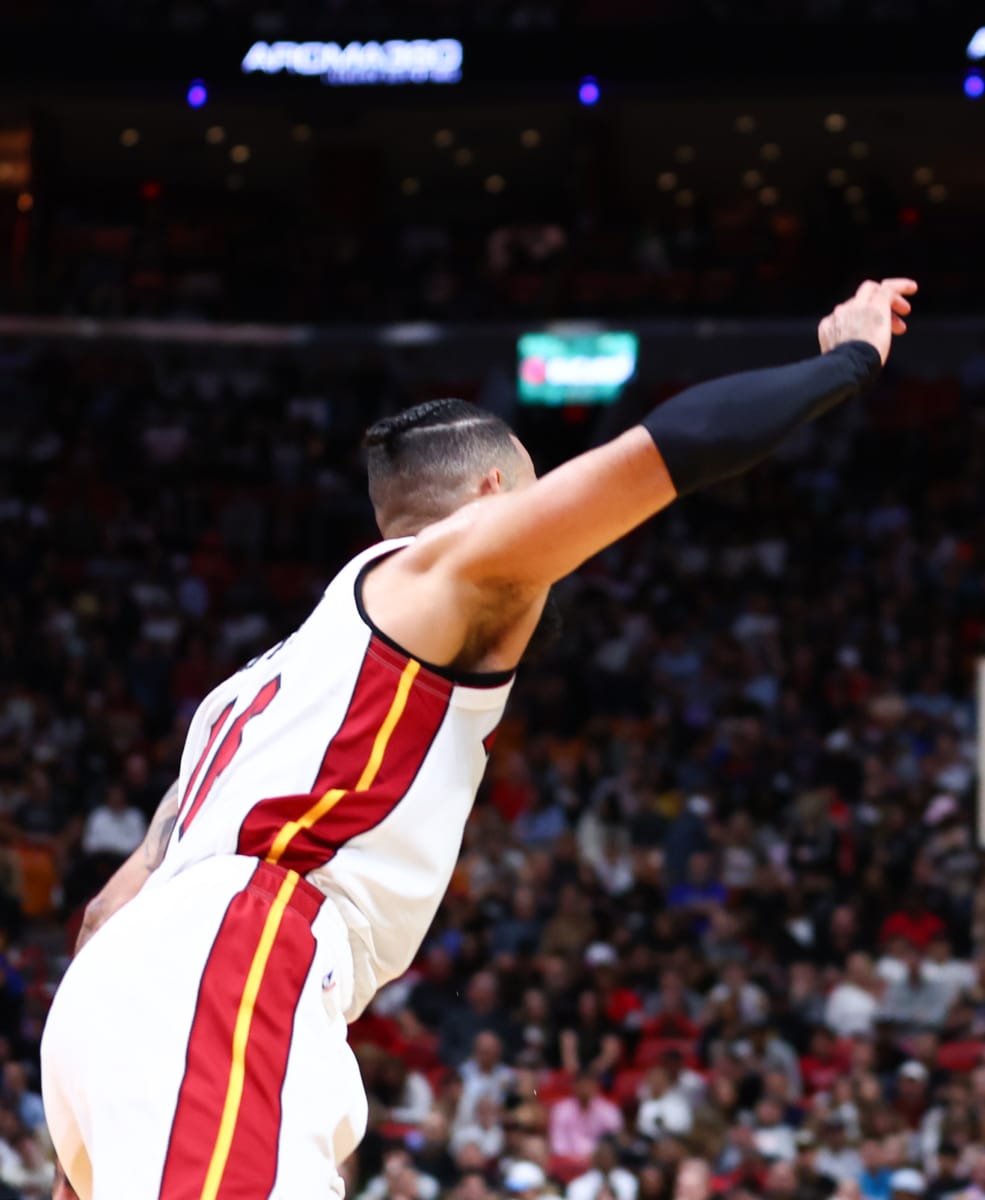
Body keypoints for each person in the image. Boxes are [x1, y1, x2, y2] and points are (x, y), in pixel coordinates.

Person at [41, 277, 919, 1198]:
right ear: (495, 492)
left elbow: (105, 916)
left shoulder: (247, 697)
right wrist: (846, 363)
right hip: (237, 959)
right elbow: (672, 449)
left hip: (120, 1003)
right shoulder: (454, 562)